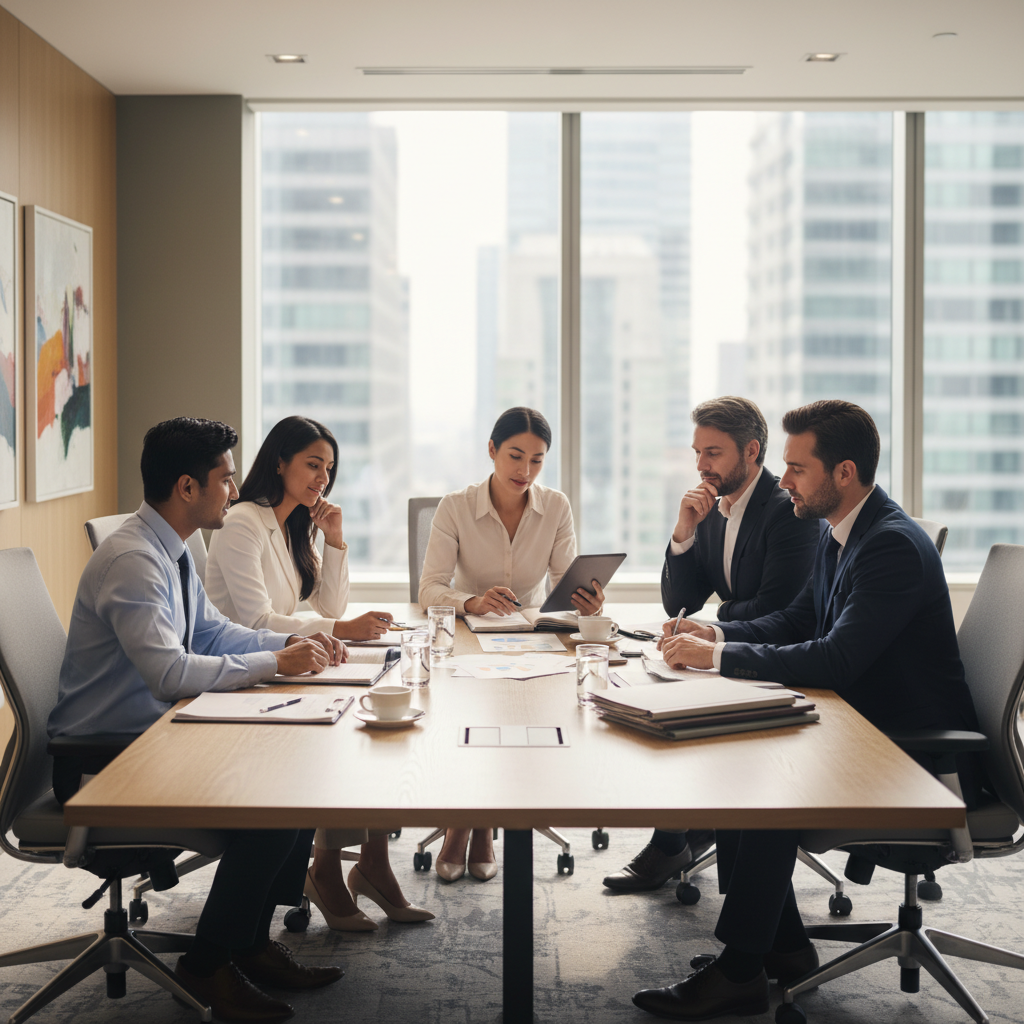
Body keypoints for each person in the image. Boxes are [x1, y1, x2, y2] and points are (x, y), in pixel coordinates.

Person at [632, 400, 983, 1022]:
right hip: (865, 727)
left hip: (915, 755)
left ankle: (741, 972)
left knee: (762, 785)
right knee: (738, 761)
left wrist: (718, 661)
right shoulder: (841, 530)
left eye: (796, 468)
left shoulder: (890, 546)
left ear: (842, 473)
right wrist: (718, 641)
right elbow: (800, 620)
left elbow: (837, 659)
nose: (783, 480)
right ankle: (787, 950)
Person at [48, 418, 345, 1024]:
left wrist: (290, 642)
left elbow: (209, 631)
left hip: (149, 737)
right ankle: (207, 964)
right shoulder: (133, 560)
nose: (234, 491)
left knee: (296, 770)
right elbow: (169, 673)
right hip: (103, 761)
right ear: (188, 487)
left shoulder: (171, 547)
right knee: (273, 807)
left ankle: (249, 944)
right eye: (226, 479)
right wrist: (273, 660)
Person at [206, 415, 432, 930]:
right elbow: (254, 620)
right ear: (279, 461)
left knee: (379, 719)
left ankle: (367, 865)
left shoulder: (288, 524)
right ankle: (333, 872)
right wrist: (340, 627)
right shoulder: (244, 521)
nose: (321, 478)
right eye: (312, 464)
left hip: (282, 668)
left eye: (328, 469)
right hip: (245, 675)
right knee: (353, 731)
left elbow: (328, 602)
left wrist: (334, 538)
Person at [604, 396, 820, 893]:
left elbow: (780, 611)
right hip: (742, 648)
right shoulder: (714, 506)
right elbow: (679, 600)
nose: (701, 465)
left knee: (681, 705)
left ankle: (677, 842)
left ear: (752, 452)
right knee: (657, 694)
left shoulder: (788, 509)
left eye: (714, 453)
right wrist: (683, 533)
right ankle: (677, 837)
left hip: (779, 663)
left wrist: (716, 621)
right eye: (697, 452)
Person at [418, 406, 604, 881]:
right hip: (468, 638)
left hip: (531, 637)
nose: (525, 471)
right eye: (516, 456)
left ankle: (480, 826)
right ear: (492, 450)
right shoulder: (455, 506)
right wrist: (473, 600)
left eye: (537, 460)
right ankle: (466, 823)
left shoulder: (555, 506)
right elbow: (430, 589)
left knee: (526, 717)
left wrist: (586, 600)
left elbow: (564, 585)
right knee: (470, 720)